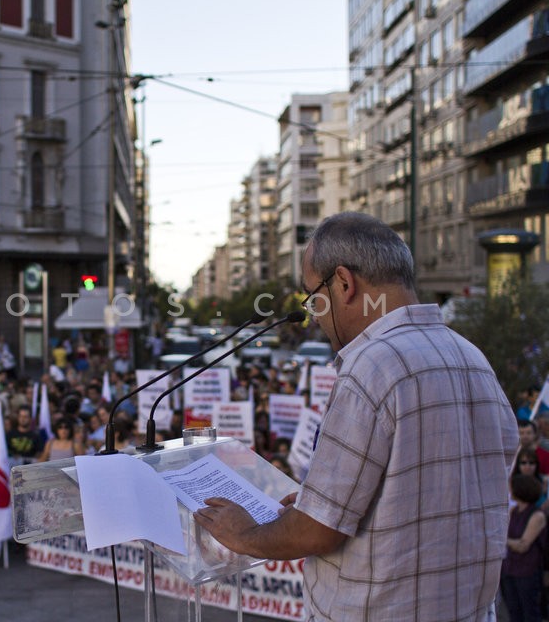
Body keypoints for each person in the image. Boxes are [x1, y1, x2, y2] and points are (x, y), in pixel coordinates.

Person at [193, 212, 518, 620]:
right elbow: (450, 494)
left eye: (313, 297)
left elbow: (318, 532)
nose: (312, 314)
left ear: (344, 283)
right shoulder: (472, 358)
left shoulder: (371, 366)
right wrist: (321, 504)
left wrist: (246, 533)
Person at [501, 474, 547, 622]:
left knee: (530, 614)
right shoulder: (513, 512)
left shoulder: (537, 515)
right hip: (510, 569)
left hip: (528, 572)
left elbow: (523, 545)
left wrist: (503, 541)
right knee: (514, 613)